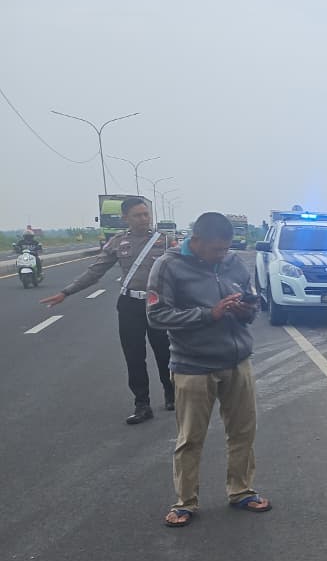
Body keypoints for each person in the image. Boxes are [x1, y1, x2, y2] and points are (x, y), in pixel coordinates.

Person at [147, 212, 270, 527]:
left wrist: (245, 310)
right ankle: (185, 502)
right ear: (196, 240)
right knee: (191, 438)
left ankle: (241, 490)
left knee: (243, 431)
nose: (222, 256)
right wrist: (208, 315)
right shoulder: (168, 265)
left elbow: (252, 301)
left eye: (225, 250)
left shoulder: (232, 263)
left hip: (237, 361)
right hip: (193, 365)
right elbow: (157, 315)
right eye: (216, 250)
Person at [40, 197, 174, 424]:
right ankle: (142, 404)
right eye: (137, 215)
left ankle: (172, 394)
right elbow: (95, 272)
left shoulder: (165, 241)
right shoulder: (117, 243)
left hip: (157, 305)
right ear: (126, 219)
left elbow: (182, 269)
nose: (143, 219)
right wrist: (66, 292)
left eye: (146, 214)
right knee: (134, 356)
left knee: (164, 352)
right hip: (130, 305)